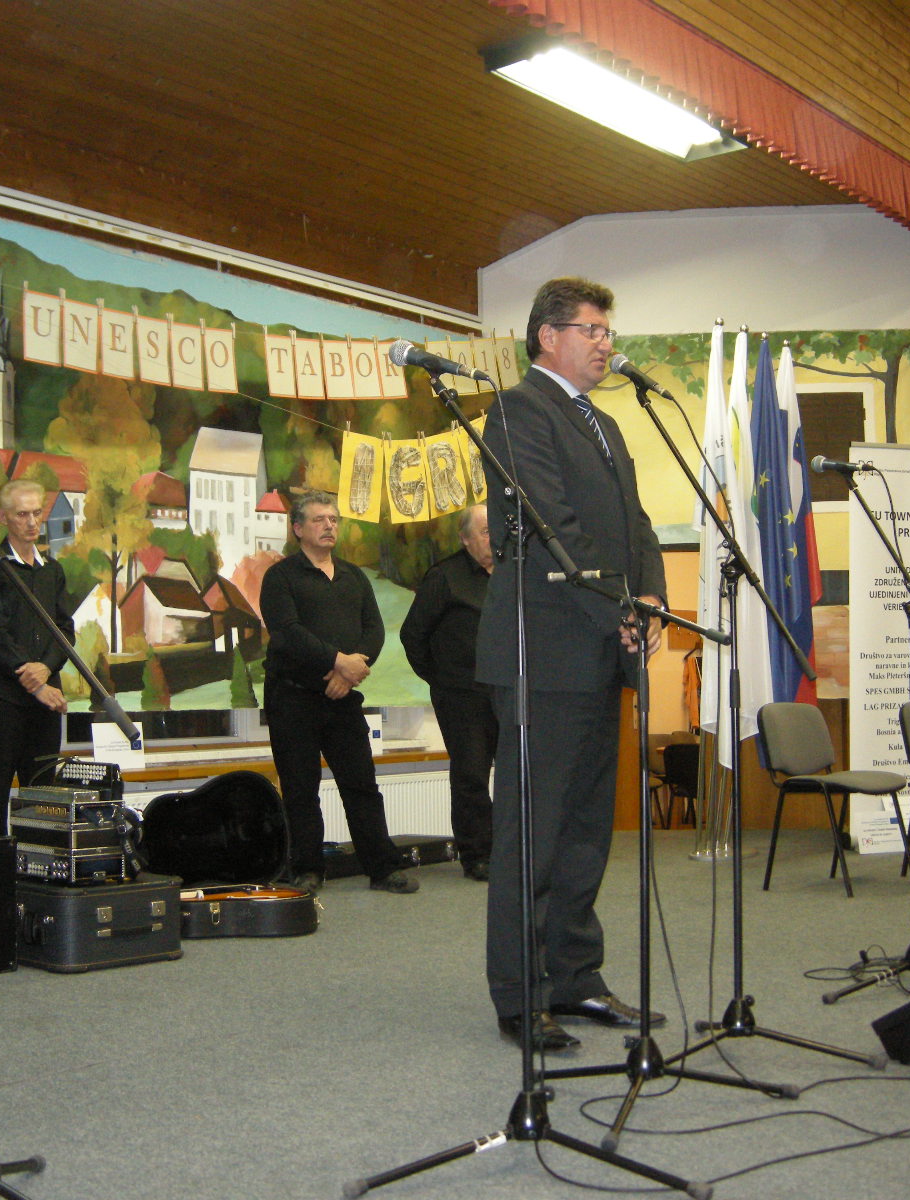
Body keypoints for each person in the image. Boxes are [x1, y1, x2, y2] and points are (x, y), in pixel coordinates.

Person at [477, 277, 667, 1052]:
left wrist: (650, 598)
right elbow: (553, 528)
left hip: (599, 651)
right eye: (592, 330)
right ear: (548, 336)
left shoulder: (607, 423)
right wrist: (621, 610)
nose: (606, 344)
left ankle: (576, 977)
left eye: (607, 330)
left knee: (587, 830)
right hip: (545, 653)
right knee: (534, 834)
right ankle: (522, 996)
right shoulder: (519, 410)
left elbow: (636, 525)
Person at [259, 489, 418, 895]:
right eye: (319, 520)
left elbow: (374, 630)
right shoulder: (280, 578)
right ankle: (308, 870)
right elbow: (287, 633)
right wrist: (337, 661)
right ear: (298, 529)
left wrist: (348, 672)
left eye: (333, 519)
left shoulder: (353, 576)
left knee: (361, 785)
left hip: (343, 697)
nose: (329, 526)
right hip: (292, 698)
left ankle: (382, 868)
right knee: (300, 789)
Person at [0, 478, 74, 837]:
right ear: (3, 517)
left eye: (36, 513)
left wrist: (46, 668)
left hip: (45, 704)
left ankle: (36, 868)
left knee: (43, 804)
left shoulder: (52, 571)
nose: (31, 522)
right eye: (22, 514)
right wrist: (34, 682)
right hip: (2, 701)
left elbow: (64, 631)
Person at [399, 503, 496, 881]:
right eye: (485, 531)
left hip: (508, 692)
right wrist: (441, 680)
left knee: (519, 774)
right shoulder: (445, 577)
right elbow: (413, 635)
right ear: (465, 538)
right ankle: (478, 855)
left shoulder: (514, 574)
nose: (493, 538)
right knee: (471, 775)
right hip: (462, 695)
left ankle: (513, 850)